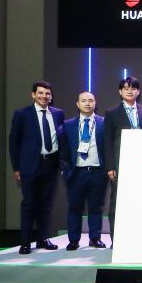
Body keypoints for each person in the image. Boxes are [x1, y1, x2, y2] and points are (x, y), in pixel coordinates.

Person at [9, 81, 65, 254]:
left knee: (46, 204)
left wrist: (62, 163)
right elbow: (13, 142)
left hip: (51, 164)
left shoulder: (58, 113)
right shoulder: (22, 114)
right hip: (30, 165)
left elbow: (61, 140)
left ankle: (43, 239)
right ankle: (25, 242)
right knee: (29, 204)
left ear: (51, 96)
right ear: (33, 95)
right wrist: (16, 167)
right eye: (40, 93)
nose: (44, 96)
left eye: (47, 93)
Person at [103, 76, 142, 244]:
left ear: (138, 91)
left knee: (141, 201)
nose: (130, 91)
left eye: (133, 88)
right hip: (120, 164)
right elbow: (107, 141)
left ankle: (138, 238)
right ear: (120, 91)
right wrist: (110, 166)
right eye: (126, 88)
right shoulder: (112, 113)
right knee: (117, 202)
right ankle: (116, 240)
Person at [61, 91, 108, 251]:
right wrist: (65, 169)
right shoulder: (68, 125)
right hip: (76, 173)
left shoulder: (104, 123)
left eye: (90, 100)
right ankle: (73, 240)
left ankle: (95, 239)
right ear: (77, 104)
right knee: (74, 208)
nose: (87, 103)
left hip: (98, 172)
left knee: (96, 207)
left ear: (95, 103)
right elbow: (63, 150)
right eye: (84, 100)